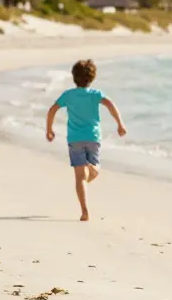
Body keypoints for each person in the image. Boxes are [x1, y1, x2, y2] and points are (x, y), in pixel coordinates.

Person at [46, 59, 127, 221]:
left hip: (75, 139)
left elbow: (52, 109)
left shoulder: (68, 95)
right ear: (92, 77)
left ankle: (84, 211)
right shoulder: (96, 94)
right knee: (93, 173)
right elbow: (110, 105)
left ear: (74, 77)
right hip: (93, 137)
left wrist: (49, 129)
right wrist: (120, 123)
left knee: (80, 177)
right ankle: (90, 170)